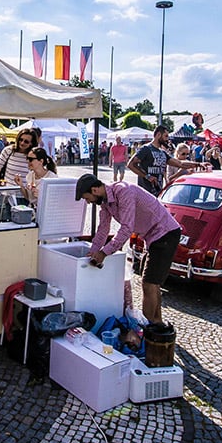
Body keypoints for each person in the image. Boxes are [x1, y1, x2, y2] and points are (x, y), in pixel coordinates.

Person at [75, 174, 181, 324]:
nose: (89, 202)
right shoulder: (106, 203)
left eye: (87, 198)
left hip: (165, 233)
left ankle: (150, 327)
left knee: (149, 283)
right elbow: (102, 230)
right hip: (153, 236)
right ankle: (157, 324)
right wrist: (93, 251)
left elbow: (126, 228)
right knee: (152, 281)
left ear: (94, 190)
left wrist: (104, 252)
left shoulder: (124, 191)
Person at [128, 125, 173, 195]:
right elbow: (131, 164)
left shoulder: (163, 152)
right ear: (158, 135)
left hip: (158, 192)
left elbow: (180, 164)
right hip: (145, 193)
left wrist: (195, 164)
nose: (167, 139)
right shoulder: (146, 149)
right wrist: (147, 176)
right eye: (166, 136)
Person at [0, 130, 37, 194]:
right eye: (21, 139)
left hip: (26, 195)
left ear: (31, 143)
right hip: (8, 195)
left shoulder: (33, 155)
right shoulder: (8, 150)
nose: (22, 143)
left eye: (26, 141)